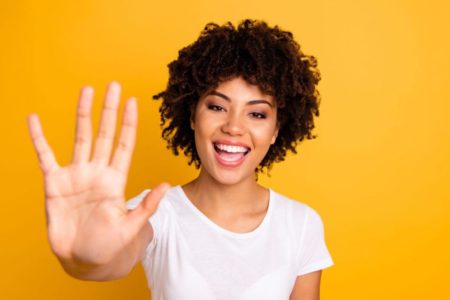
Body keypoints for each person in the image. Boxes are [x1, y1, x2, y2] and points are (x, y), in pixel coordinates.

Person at [27, 19, 333, 299]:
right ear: (192, 116)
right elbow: (108, 258)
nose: (234, 127)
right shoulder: (155, 214)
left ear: (276, 130)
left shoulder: (301, 224)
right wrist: (85, 258)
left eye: (256, 113)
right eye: (217, 107)